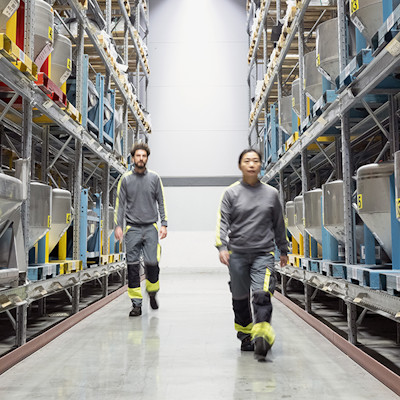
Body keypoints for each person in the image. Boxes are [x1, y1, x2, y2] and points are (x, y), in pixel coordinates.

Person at [215, 148, 288, 361]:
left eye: (255, 161)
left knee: (262, 294)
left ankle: (262, 336)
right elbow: (222, 222)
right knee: (239, 298)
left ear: (260, 165)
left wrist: (283, 249)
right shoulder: (230, 194)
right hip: (236, 254)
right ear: (240, 166)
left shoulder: (271, 194)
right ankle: (245, 335)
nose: (251, 164)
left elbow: (279, 224)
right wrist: (221, 247)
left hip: (263, 254)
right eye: (247, 161)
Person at [115, 142, 168, 317]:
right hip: (132, 229)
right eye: (138, 156)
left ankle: (152, 292)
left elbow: (161, 201)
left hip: (151, 227)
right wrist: (118, 226)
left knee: (152, 264)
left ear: (147, 158)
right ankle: (136, 304)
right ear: (133, 158)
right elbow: (120, 205)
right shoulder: (126, 179)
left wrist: (164, 223)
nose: (141, 158)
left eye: (144, 156)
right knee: (132, 267)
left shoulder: (154, 178)